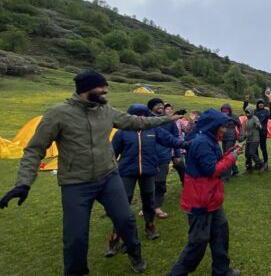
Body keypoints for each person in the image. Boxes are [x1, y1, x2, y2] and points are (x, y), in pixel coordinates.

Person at [0, 70, 183, 275]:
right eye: (102, 87)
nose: (106, 91)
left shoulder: (105, 110)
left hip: (108, 177)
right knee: (75, 237)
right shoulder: (58, 114)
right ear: (86, 89)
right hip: (76, 183)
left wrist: (166, 119)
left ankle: (135, 254)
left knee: (126, 221)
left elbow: (136, 122)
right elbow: (34, 149)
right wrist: (24, 183)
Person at [168, 109, 243, 276]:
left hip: (212, 200)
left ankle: (221, 271)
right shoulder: (201, 142)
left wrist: (229, 153)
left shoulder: (210, 140)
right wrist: (233, 158)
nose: (224, 130)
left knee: (221, 235)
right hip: (200, 202)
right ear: (212, 126)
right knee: (198, 243)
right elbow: (211, 170)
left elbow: (212, 161)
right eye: (222, 127)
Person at [105, 104, 187, 256]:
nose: (142, 118)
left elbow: (169, 139)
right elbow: (111, 154)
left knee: (149, 200)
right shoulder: (122, 133)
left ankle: (150, 226)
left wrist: (184, 144)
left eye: (144, 115)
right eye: (138, 115)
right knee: (123, 204)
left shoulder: (153, 130)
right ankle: (115, 238)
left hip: (149, 170)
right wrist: (110, 172)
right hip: (127, 172)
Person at [148, 98, 182, 219]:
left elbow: (175, 137)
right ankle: (147, 206)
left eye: (161, 105)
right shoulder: (146, 120)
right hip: (147, 157)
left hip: (163, 156)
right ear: (151, 107)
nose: (160, 107)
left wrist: (177, 154)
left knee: (160, 182)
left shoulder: (170, 121)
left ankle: (157, 206)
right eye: (157, 105)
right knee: (147, 183)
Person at [243, 95, 270, 163]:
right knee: (255, 149)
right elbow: (246, 110)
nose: (261, 104)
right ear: (257, 104)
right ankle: (258, 163)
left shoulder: (266, 111)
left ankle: (265, 162)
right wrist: (246, 101)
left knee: (263, 148)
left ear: (264, 104)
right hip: (255, 133)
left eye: (262, 103)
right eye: (259, 103)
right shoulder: (254, 111)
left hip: (263, 132)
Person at [220, 103, 244, 178]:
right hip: (223, 137)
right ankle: (235, 170)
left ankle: (226, 175)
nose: (225, 112)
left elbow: (240, 126)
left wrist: (241, 135)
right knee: (226, 154)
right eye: (223, 110)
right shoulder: (221, 116)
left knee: (228, 155)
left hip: (231, 137)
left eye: (226, 110)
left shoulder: (234, 116)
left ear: (229, 110)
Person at [244, 107, 266, 173]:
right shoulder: (247, 120)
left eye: (248, 112)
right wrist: (243, 136)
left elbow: (260, 127)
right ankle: (249, 168)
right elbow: (247, 130)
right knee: (247, 154)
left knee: (251, 153)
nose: (247, 114)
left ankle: (262, 164)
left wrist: (258, 126)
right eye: (246, 112)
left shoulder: (255, 118)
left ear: (251, 112)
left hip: (255, 139)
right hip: (248, 139)